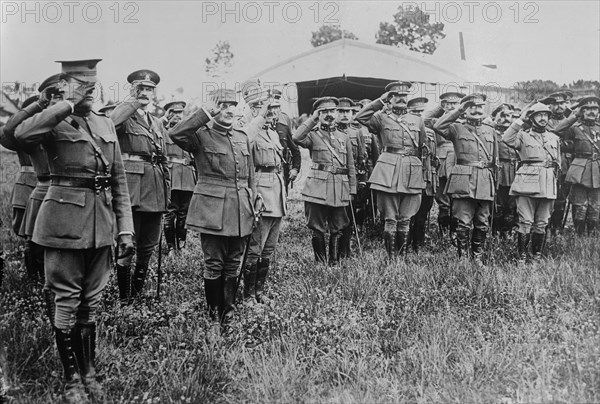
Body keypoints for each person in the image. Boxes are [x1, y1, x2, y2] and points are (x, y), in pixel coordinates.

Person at [14, 59, 134, 403]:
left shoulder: (103, 122)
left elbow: (119, 180)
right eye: (81, 85)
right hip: (63, 223)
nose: (89, 90)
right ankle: (71, 379)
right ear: (65, 86)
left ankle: (89, 370)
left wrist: (125, 229)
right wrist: (59, 103)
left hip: (101, 224)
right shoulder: (51, 119)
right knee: (66, 298)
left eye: (92, 85)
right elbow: (18, 135)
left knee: (91, 302)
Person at [168, 88, 256, 329]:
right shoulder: (200, 135)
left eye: (232, 105)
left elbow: (249, 175)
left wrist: (254, 201)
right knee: (214, 262)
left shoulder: (240, 136)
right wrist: (205, 113)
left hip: (240, 207)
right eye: (222, 105)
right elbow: (175, 133)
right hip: (212, 208)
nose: (228, 110)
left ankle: (229, 309)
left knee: (233, 261)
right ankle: (214, 314)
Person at [110, 69, 170, 303]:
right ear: (133, 91)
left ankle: (136, 292)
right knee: (127, 244)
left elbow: (163, 156)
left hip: (154, 190)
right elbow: (111, 122)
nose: (145, 93)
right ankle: (124, 297)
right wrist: (132, 102)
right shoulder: (125, 116)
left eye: (149, 90)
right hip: (132, 189)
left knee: (148, 245)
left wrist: (166, 190)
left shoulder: (156, 122)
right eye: (140, 89)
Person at [355, 82, 426, 258]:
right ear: (390, 98)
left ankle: (402, 257)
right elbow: (361, 117)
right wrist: (380, 101)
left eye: (404, 96)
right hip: (388, 170)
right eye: (396, 95)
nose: (401, 99)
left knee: (406, 217)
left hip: (411, 169)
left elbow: (422, 146)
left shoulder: (417, 120)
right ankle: (391, 258)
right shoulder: (381, 117)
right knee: (390, 218)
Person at [433, 94, 497, 264]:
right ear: (465, 110)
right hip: (463, 180)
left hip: (484, 180)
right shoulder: (456, 128)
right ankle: (463, 259)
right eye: (472, 106)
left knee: (482, 222)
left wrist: (493, 184)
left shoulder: (490, 131)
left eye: (480, 106)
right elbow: (438, 125)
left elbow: (494, 161)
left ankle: (477, 258)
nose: (477, 110)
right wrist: (459, 109)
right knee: (463, 222)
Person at [293, 97, 357, 264]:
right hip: (317, 187)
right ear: (318, 114)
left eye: (331, 111)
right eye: (324, 112)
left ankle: (334, 261)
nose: (329, 115)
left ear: (336, 113)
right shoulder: (313, 135)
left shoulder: (343, 136)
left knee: (339, 225)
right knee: (317, 226)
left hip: (339, 187)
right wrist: (313, 118)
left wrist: (353, 189)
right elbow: (296, 137)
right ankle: (320, 262)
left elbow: (350, 165)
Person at [242, 91, 287, 305]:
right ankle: (248, 295)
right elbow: (247, 165)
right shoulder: (249, 131)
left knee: (269, 247)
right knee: (255, 247)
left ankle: (259, 291)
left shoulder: (274, 133)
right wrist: (253, 193)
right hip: (261, 191)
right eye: (265, 108)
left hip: (277, 193)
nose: (271, 112)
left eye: (273, 108)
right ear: (253, 109)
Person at [502, 102, 560, 260]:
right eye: (539, 115)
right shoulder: (522, 135)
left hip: (548, 184)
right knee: (525, 221)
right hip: (527, 182)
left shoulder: (554, 138)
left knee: (542, 222)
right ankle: (521, 257)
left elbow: (557, 163)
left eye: (546, 115)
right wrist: (520, 119)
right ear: (532, 117)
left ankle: (536, 257)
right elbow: (506, 138)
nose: (543, 118)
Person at [552, 96, 600, 235]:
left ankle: (591, 240)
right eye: (587, 109)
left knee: (595, 208)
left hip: (597, 170)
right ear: (582, 111)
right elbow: (556, 131)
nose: (591, 112)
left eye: (595, 109)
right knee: (580, 207)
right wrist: (573, 116)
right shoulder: (574, 128)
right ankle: (579, 237)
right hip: (579, 171)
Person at [425, 92, 465, 238]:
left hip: (460, 162)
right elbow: (426, 118)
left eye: (456, 103)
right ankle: (443, 232)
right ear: (443, 105)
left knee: (457, 198)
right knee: (443, 199)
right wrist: (440, 108)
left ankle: (455, 232)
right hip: (441, 162)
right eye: (449, 104)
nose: (453, 106)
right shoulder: (437, 120)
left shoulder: (465, 121)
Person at [162, 101, 196, 255]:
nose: (177, 116)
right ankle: (170, 247)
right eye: (173, 112)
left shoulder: (189, 133)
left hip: (187, 176)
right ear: (168, 114)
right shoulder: (163, 132)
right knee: (170, 213)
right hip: (172, 176)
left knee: (184, 213)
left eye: (180, 113)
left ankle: (181, 247)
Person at [335, 97, 366, 257]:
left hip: (351, 179)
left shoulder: (357, 132)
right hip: (335, 179)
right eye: (340, 111)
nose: (344, 115)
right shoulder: (330, 132)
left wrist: (360, 181)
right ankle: (336, 249)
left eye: (347, 111)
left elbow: (361, 159)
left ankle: (345, 249)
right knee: (336, 216)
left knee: (349, 215)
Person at [406, 97, 438, 252]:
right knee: (407, 214)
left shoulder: (431, 132)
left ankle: (418, 245)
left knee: (422, 215)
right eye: (414, 112)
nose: (418, 115)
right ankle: (404, 245)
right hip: (410, 176)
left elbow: (434, 158)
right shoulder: (404, 132)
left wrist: (433, 180)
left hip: (427, 178)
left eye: (421, 112)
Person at [490, 103, 519, 237]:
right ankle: (496, 231)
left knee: (512, 204)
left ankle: (507, 231)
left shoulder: (518, 133)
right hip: (500, 171)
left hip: (515, 172)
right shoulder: (491, 132)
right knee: (498, 204)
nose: (507, 119)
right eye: (503, 115)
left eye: (510, 116)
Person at [270, 89, 301, 192]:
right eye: (271, 108)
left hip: (283, 169)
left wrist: (295, 169)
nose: (274, 111)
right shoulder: (259, 128)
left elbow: (295, 149)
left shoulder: (283, 127)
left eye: (277, 107)